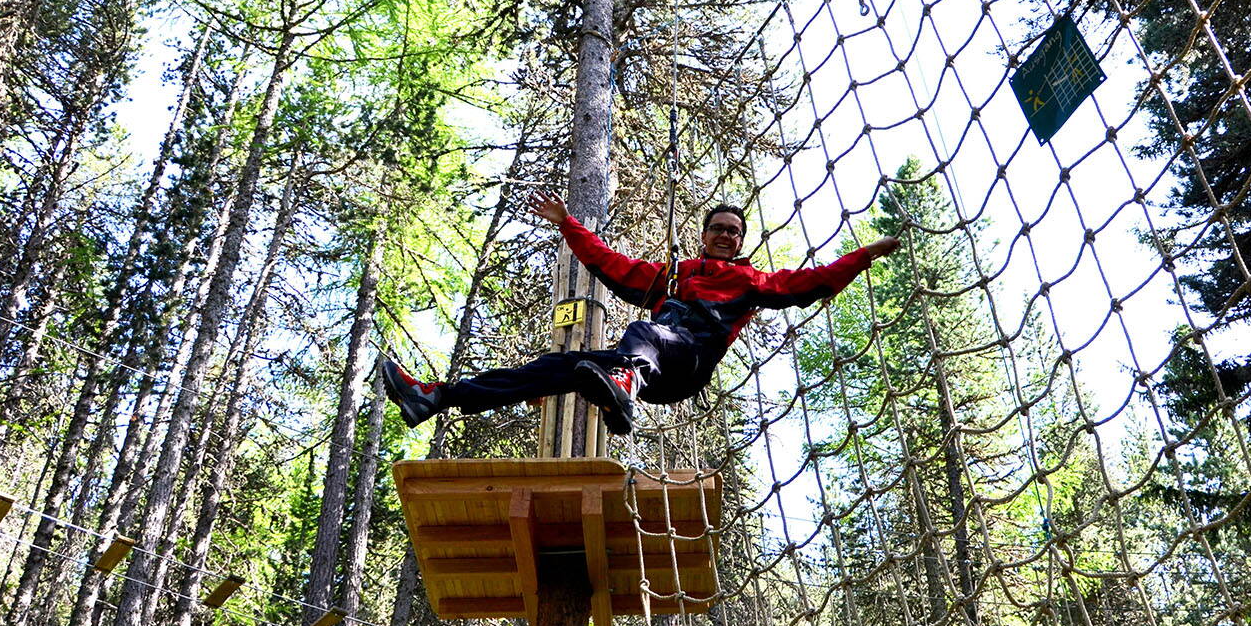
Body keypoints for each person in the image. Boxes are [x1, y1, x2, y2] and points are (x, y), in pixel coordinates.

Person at [379, 191, 901, 434]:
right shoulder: (670, 275)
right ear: (704, 235)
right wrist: (568, 224)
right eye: (718, 228)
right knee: (554, 369)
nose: (725, 235)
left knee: (644, 332)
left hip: (688, 362)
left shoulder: (751, 281)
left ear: (741, 242)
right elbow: (611, 263)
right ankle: (438, 398)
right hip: (647, 358)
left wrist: (865, 255)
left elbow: (807, 284)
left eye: (734, 231)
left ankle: (623, 386)